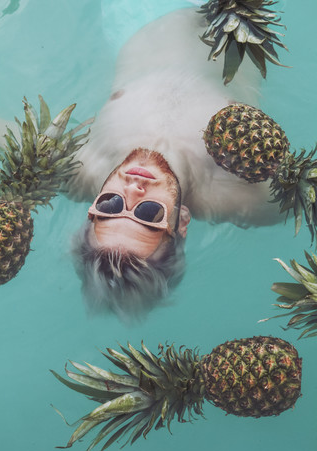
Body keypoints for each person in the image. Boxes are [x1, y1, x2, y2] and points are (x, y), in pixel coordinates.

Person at [66, 8, 282, 320]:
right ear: (180, 222)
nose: (132, 189)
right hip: (237, 16)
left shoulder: (81, 169)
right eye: (148, 213)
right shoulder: (245, 197)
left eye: (111, 205)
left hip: (130, 17)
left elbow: (11, 137)